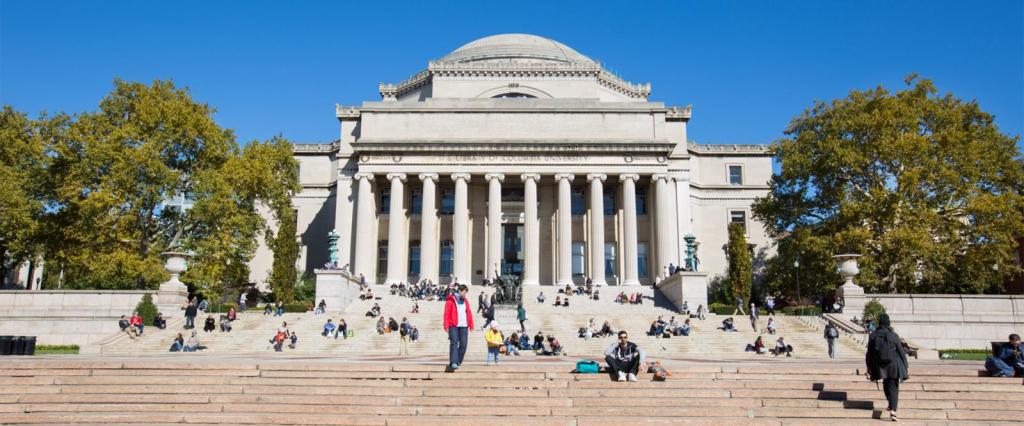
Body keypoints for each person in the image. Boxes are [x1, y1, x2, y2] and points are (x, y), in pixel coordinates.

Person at [865, 314, 909, 422]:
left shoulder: (873, 335)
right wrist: (906, 366)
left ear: (879, 323)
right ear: (888, 323)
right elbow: (901, 352)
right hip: (894, 364)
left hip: (880, 365)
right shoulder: (893, 335)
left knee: (886, 384)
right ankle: (893, 410)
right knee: (894, 387)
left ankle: (890, 403)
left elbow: (869, 354)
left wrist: (869, 368)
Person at [443, 284, 474, 371]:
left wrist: (471, 323)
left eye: (466, 293)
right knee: (454, 343)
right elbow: (446, 313)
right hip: (453, 325)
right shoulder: (451, 300)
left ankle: (458, 361)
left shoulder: (465, 301)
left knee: (463, 344)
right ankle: (453, 362)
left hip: (464, 325)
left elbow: (468, 312)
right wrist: (446, 325)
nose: (465, 294)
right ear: (459, 291)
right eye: (464, 292)